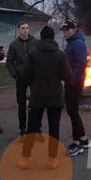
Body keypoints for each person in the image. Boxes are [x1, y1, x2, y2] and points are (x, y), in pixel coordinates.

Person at [18, 26, 72, 170]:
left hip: (37, 96)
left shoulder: (32, 54)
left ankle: (25, 158)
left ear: (41, 37)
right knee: (54, 128)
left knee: (32, 127)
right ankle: (52, 159)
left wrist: (32, 84)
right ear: (53, 38)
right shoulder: (60, 55)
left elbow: (24, 75)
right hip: (55, 96)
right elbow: (67, 76)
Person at [60, 21, 90, 157]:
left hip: (75, 82)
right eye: (63, 30)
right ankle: (83, 139)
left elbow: (82, 63)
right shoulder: (72, 42)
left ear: (74, 29)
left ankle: (76, 143)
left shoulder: (77, 43)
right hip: (71, 80)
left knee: (72, 110)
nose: (64, 32)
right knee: (72, 110)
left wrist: (72, 79)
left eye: (66, 30)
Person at [6, 21, 37, 137]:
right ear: (18, 30)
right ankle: (22, 128)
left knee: (35, 103)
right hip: (21, 77)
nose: (25, 30)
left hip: (33, 77)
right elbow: (9, 61)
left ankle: (34, 128)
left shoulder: (35, 42)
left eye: (27, 28)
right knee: (21, 104)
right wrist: (15, 74)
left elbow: (39, 58)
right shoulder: (14, 44)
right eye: (23, 28)